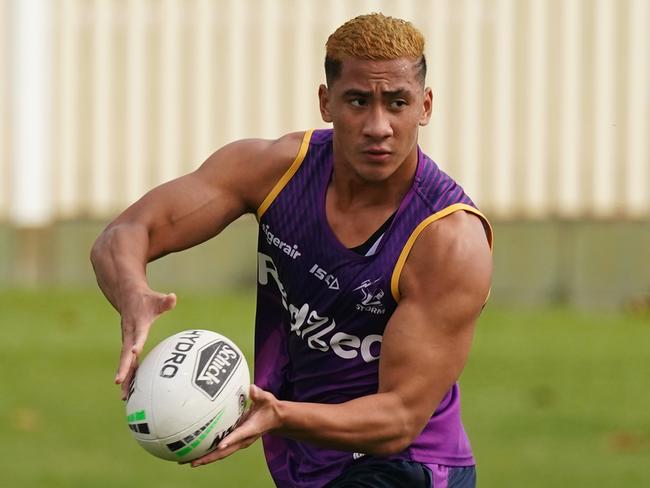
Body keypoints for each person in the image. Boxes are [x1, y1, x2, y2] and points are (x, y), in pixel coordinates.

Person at [91, 13, 492, 488]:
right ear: (326, 103)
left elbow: (398, 418)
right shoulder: (277, 171)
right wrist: (132, 293)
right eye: (358, 102)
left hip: (410, 466)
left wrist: (280, 414)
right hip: (309, 460)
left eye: (397, 103)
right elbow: (125, 233)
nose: (378, 125)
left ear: (425, 106)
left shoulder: (447, 240)